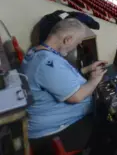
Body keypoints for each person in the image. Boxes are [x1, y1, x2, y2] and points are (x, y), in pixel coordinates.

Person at [21, 18, 107, 154]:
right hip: (52, 133)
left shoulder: (38, 52)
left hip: (46, 125)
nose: (77, 46)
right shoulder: (47, 63)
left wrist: (87, 69)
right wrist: (95, 79)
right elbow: (76, 97)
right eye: (77, 42)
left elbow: (57, 79)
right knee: (110, 130)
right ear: (67, 40)